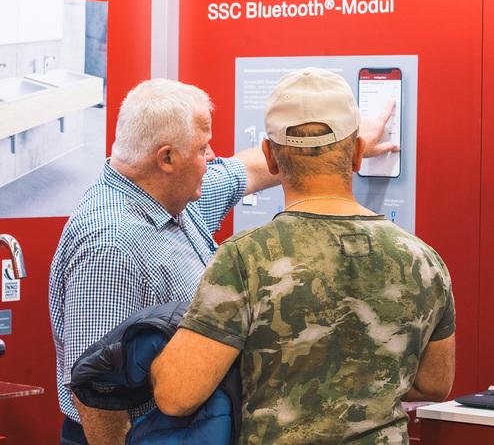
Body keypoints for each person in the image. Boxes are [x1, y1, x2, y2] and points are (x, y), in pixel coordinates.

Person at [49, 76, 396, 445]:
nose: (212, 156)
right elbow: (94, 392)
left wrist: (342, 147)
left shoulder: (174, 196)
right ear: (167, 158)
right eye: (203, 148)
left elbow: (246, 170)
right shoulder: (111, 246)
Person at [150, 68, 456, 445]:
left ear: (270, 157)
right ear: (357, 153)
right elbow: (435, 383)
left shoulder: (246, 258)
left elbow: (177, 394)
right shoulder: (423, 260)